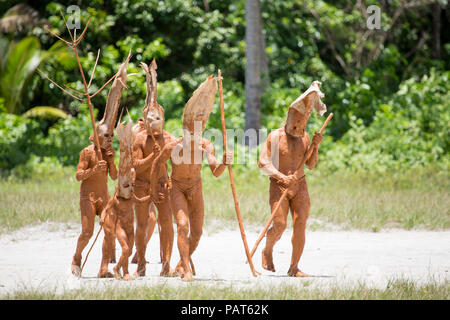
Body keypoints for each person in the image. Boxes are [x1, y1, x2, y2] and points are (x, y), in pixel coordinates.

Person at [150, 75, 233, 282]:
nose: (197, 129)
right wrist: (159, 184)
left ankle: (181, 263)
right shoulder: (173, 146)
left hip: (196, 188)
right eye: (193, 125)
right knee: (183, 226)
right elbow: (157, 164)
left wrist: (224, 162)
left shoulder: (206, 145)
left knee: (196, 233)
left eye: (200, 125)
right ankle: (186, 269)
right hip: (177, 187)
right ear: (186, 126)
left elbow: (216, 171)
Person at [258, 81, 326, 277]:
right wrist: (280, 176)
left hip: (300, 184)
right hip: (279, 185)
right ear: (288, 118)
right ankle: (267, 249)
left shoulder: (304, 138)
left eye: (302, 124)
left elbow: (310, 165)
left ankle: (294, 267)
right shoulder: (275, 136)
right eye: (295, 123)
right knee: (279, 225)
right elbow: (263, 163)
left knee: (301, 222)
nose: (298, 127)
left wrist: (315, 146)